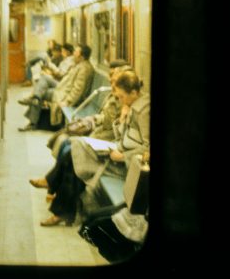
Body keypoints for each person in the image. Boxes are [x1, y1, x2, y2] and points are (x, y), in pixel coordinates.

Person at [31, 70, 150, 226]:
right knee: (74, 151)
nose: (120, 100)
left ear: (134, 92)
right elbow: (122, 136)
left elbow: (147, 150)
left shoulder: (144, 113)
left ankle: (60, 205)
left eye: (122, 97)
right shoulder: (131, 106)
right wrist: (121, 119)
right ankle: (61, 206)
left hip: (125, 164)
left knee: (74, 158)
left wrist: (123, 157)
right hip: (116, 152)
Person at [19, 45, 94, 131]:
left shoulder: (84, 69)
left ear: (82, 56)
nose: (73, 54)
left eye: (75, 52)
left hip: (65, 93)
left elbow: (78, 89)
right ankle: (35, 98)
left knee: (42, 93)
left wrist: (67, 101)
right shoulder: (79, 64)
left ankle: (33, 118)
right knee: (44, 80)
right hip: (64, 87)